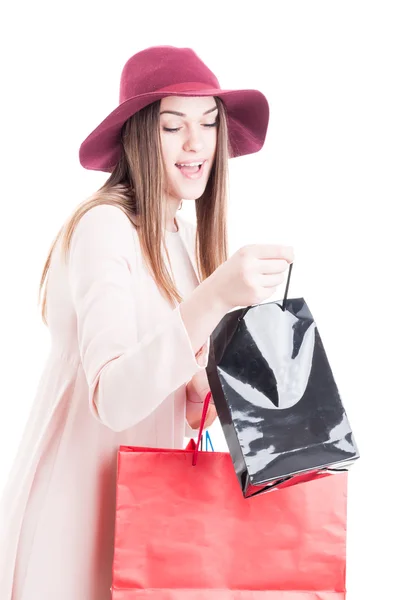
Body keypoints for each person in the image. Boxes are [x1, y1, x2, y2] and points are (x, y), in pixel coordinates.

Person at [0, 45, 294, 599]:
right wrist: (214, 295)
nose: (196, 144)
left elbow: (158, 381)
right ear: (138, 135)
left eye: (209, 123)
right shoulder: (105, 227)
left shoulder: (180, 239)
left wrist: (200, 390)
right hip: (79, 518)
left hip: (148, 520)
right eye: (172, 126)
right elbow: (112, 397)